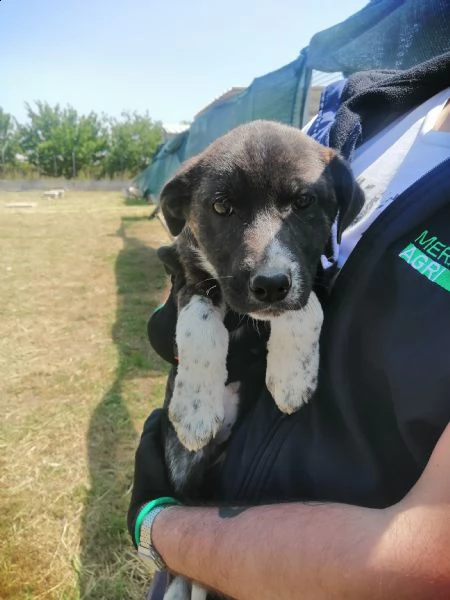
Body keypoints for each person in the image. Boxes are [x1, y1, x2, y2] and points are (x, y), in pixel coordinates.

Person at [128, 52, 450, 599]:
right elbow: (201, 241)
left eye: (301, 203)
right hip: (204, 519)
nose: (265, 248)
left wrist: (159, 527)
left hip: (301, 564)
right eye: (227, 208)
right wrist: (190, 311)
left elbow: (424, 563)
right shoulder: (358, 112)